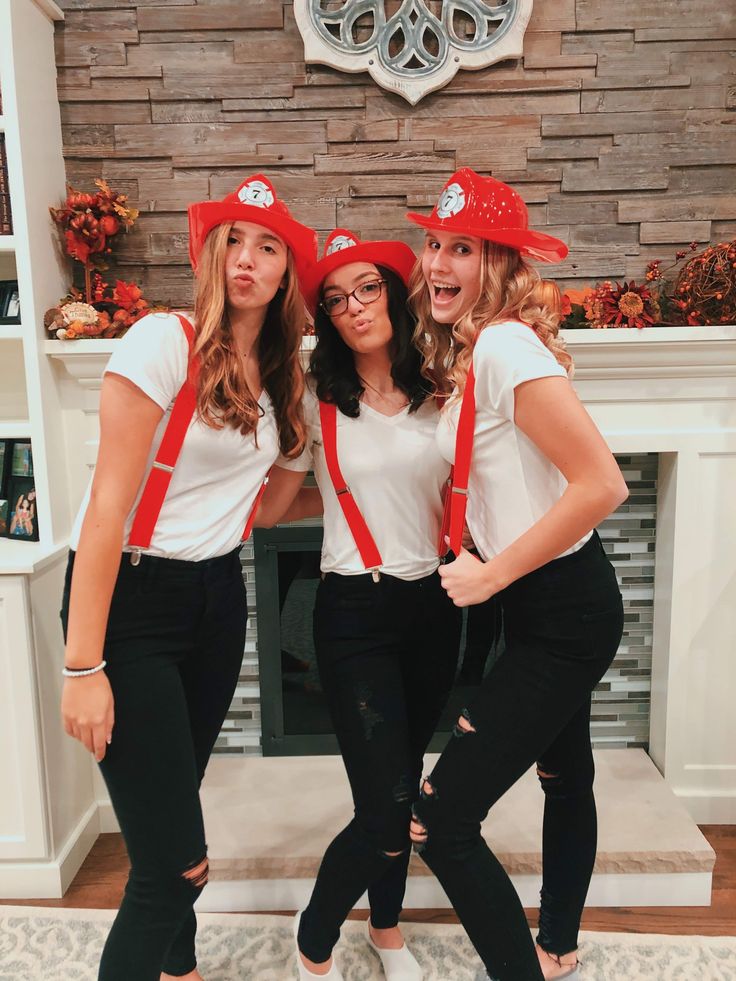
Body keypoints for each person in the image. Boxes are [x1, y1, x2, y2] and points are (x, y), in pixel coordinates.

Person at [59, 174, 316, 981]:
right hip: (131, 597)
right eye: (234, 239)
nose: (247, 258)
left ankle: (180, 969)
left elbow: (267, 508)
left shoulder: (277, 374)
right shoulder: (162, 343)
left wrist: (342, 470)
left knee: (168, 826)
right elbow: (106, 510)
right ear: (210, 253)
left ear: (284, 276)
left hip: (214, 598)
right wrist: (82, 665)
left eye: (268, 246)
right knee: (177, 865)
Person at [405, 168, 628, 981]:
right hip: (542, 606)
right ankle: (558, 944)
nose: (437, 261)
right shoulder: (472, 351)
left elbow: (603, 485)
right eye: (432, 242)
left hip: (558, 610)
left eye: (461, 248)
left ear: (498, 266)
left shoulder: (502, 343)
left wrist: (491, 574)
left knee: (441, 820)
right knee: (567, 776)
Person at [254, 229, 463, 981]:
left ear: (396, 295)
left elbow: (445, 493)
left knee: (402, 784)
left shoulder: (442, 390)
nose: (352, 308)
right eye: (335, 300)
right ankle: (313, 940)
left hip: (437, 609)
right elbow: (275, 509)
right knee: (384, 806)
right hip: (354, 615)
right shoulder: (316, 400)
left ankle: (386, 924)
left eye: (366, 289)